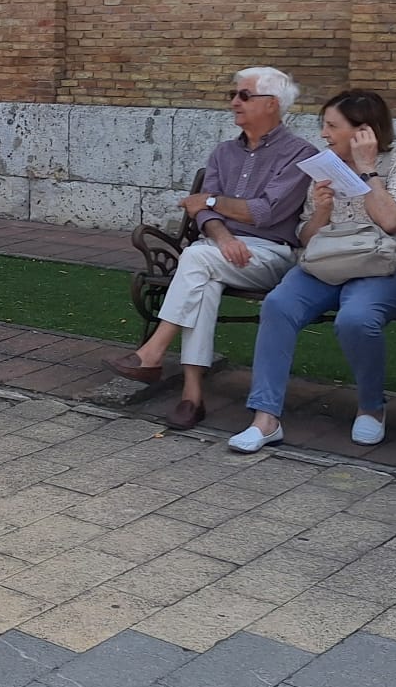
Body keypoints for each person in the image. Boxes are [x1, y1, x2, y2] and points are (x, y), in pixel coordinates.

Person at [105, 68, 318, 427]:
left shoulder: (300, 154)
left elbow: (264, 212)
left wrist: (210, 200)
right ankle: (192, 396)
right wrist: (223, 237)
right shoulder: (223, 152)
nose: (235, 102)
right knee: (202, 276)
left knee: (196, 259)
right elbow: (202, 214)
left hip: (270, 254)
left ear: (273, 105)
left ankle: (154, 352)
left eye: (244, 96)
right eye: (234, 95)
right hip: (218, 249)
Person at [231, 90, 396, 454]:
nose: (323, 134)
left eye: (331, 126)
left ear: (363, 131)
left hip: (389, 267)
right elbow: (306, 237)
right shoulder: (326, 164)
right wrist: (322, 211)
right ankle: (265, 418)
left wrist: (368, 169)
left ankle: (371, 407)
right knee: (278, 305)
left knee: (355, 318)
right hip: (328, 262)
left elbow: (391, 221)